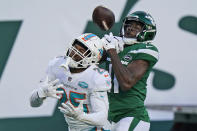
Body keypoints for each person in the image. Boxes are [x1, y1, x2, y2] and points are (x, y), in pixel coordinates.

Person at [30, 33, 111, 131]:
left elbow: (102, 118)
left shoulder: (96, 77)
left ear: (93, 57)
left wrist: (81, 116)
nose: (74, 53)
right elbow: (33, 103)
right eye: (74, 48)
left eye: (81, 51)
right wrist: (41, 93)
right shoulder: (57, 64)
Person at [100, 11, 159, 131]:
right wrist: (98, 46)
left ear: (147, 31)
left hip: (131, 114)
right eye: (128, 25)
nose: (130, 29)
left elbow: (127, 83)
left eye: (137, 26)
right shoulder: (115, 44)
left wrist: (112, 52)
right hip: (108, 114)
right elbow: (88, 61)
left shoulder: (146, 49)